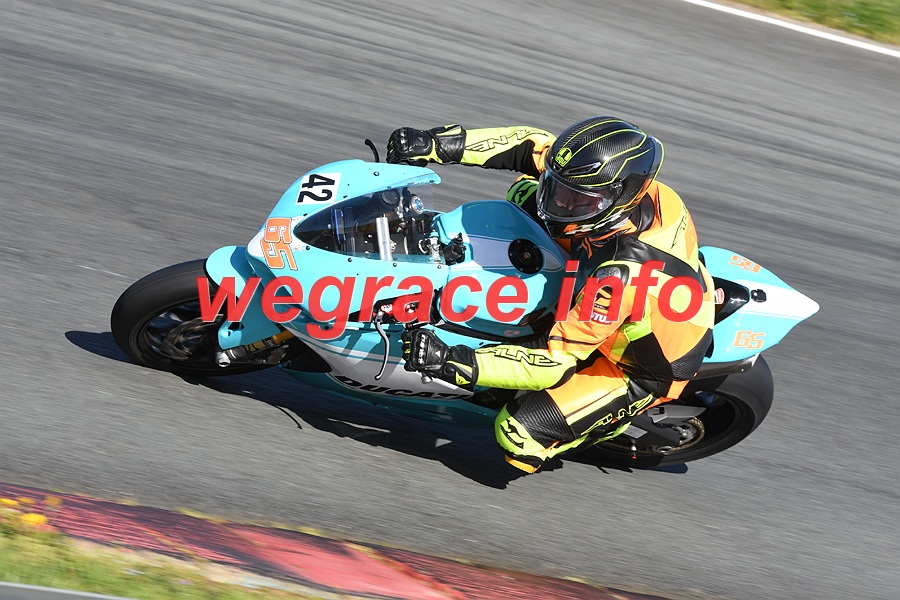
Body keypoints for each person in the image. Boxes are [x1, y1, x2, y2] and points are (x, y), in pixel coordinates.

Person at [387, 118, 715, 473]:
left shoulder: (617, 282)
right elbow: (531, 144)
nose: (558, 201)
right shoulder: (636, 191)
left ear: (618, 199)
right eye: (559, 188)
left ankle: (603, 426)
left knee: (517, 437)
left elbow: (555, 361)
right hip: (634, 281)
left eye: (577, 200)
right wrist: (435, 144)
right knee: (524, 193)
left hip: (635, 368)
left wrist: (454, 361)